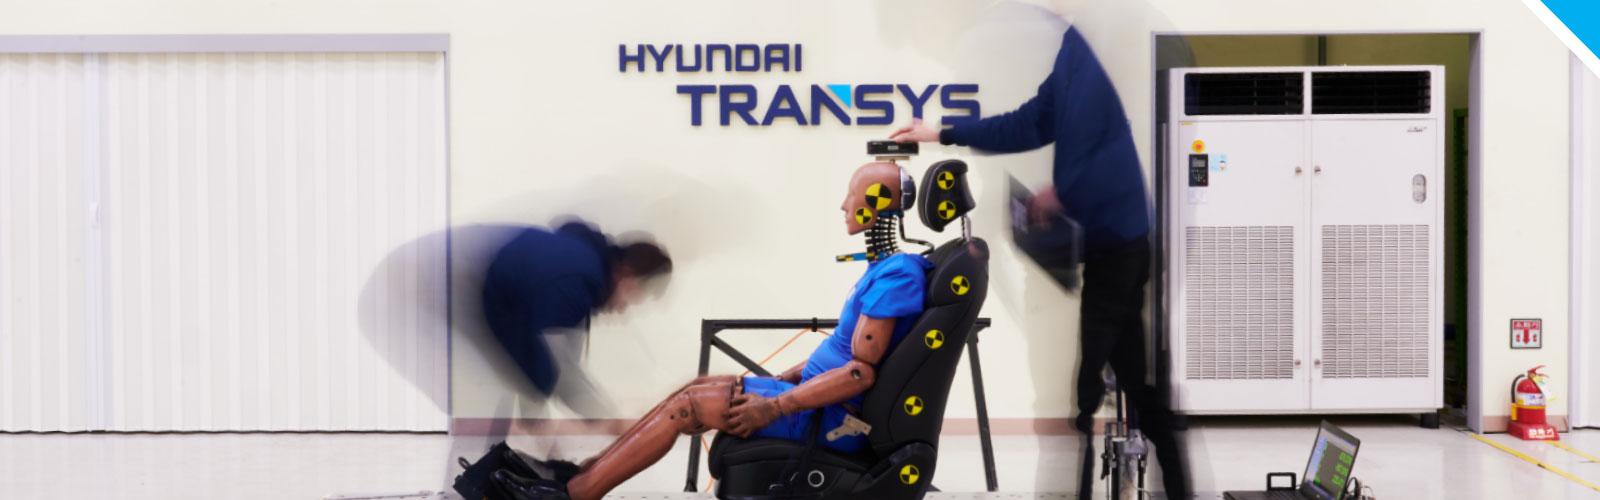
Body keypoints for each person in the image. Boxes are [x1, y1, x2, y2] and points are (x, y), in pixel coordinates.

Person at [493, 162, 931, 500]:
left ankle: (577, 494)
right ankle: (584, 473)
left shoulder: (896, 277)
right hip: (814, 402)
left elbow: (859, 373)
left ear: (876, 202)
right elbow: (842, 353)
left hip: (830, 420)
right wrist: (784, 380)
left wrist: (775, 406)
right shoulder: (887, 272)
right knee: (693, 389)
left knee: (687, 408)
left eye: (851, 195)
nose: (843, 205)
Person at [888, 26, 1191, 499]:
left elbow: (1103, 141)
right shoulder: (1075, 45)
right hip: (1108, 245)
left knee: (1091, 390)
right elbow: (1030, 122)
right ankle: (1169, 482)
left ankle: (1107, 480)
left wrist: (1062, 193)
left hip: (1120, 243)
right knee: (1126, 381)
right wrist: (944, 134)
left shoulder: (1099, 41)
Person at [481, 220, 673, 397]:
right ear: (626, 274)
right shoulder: (574, 285)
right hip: (474, 281)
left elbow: (562, 365)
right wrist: (609, 417)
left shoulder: (587, 268)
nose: (623, 310)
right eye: (630, 300)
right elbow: (561, 374)